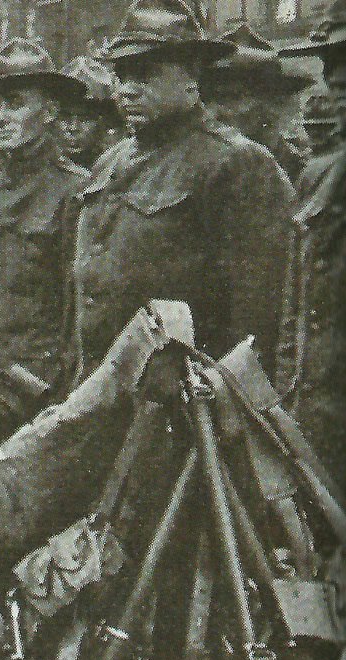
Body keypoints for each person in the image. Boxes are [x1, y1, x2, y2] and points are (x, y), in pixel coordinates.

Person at [69, 0, 300, 384]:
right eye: (122, 76)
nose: (127, 90)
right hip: (99, 387)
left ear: (191, 79)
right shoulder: (109, 163)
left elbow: (261, 313)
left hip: (183, 399)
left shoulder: (236, 163)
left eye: (145, 75)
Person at [0, 39, 90, 444]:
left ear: (49, 113)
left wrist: (62, 388)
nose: (1, 117)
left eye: (14, 103)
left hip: (36, 386)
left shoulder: (76, 191)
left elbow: (78, 305)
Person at [282, 0, 346, 488]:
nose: (335, 83)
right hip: (322, 419)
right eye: (331, 66)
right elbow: (297, 304)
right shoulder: (319, 176)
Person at [204, 22, 318, 180]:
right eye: (225, 97)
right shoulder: (200, 165)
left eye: (268, 96)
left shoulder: (301, 169)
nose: (224, 111)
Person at [57, 55, 122, 169]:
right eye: (65, 116)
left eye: (85, 118)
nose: (73, 128)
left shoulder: (116, 168)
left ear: (106, 122)